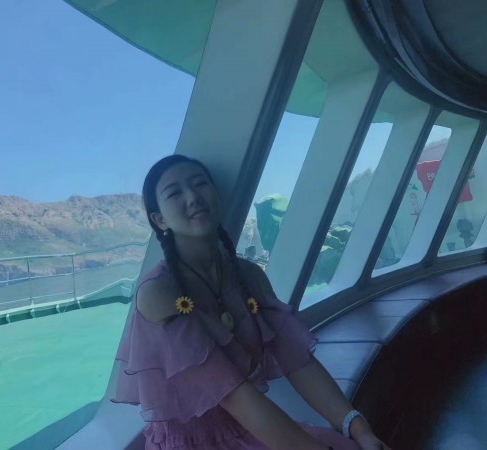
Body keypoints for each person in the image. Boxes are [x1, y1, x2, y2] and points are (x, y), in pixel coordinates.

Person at [111, 155, 392, 450]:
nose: (192, 197)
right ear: (160, 220)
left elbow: (299, 362)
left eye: (199, 184)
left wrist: (359, 428)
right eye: (175, 193)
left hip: (247, 431)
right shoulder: (158, 293)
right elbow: (232, 394)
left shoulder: (249, 276)